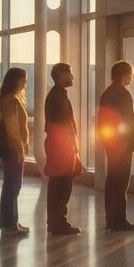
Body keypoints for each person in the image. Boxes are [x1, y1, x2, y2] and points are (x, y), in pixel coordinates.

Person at [97, 60, 134, 232]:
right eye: (131, 74)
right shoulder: (123, 94)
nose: (132, 77)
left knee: (112, 181)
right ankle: (120, 220)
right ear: (125, 75)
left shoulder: (107, 93)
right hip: (123, 145)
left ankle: (111, 218)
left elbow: (103, 121)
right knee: (121, 183)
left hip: (112, 144)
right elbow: (129, 121)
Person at [44, 62, 82, 236]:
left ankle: (55, 220)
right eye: (70, 73)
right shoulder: (58, 97)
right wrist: (69, 148)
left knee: (58, 184)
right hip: (62, 147)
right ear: (61, 75)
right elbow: (58, 126)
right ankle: (58, 222)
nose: (72, 77)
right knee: (62, 185)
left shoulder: (56, 95)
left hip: (59, 146)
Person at [0, 67, 30, 235]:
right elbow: (12, 129)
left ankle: (12, 223)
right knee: (12, 186)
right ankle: (9, 225)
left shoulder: (11, 99)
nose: (25, 83)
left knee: (13, 186)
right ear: (15, 81)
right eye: (23, 80)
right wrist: (19, 149)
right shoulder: (10, 101)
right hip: (12, 150)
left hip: (14, 149)